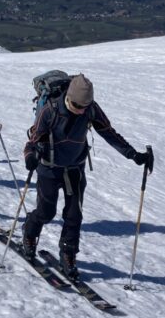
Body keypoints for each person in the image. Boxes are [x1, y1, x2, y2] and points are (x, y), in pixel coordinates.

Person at [21, 74, 153, 281]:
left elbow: (108, 132)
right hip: (49, 168)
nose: (81, 111)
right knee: (46, 212)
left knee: (74, 215)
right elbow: (32, 141)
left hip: (75, 167)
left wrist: (133, 154)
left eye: (85, 106)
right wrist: (30, 157)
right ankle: (29, 233)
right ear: (68, 98)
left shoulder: (90, 108)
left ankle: (68, 253)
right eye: (77, 106)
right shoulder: (50, 110)